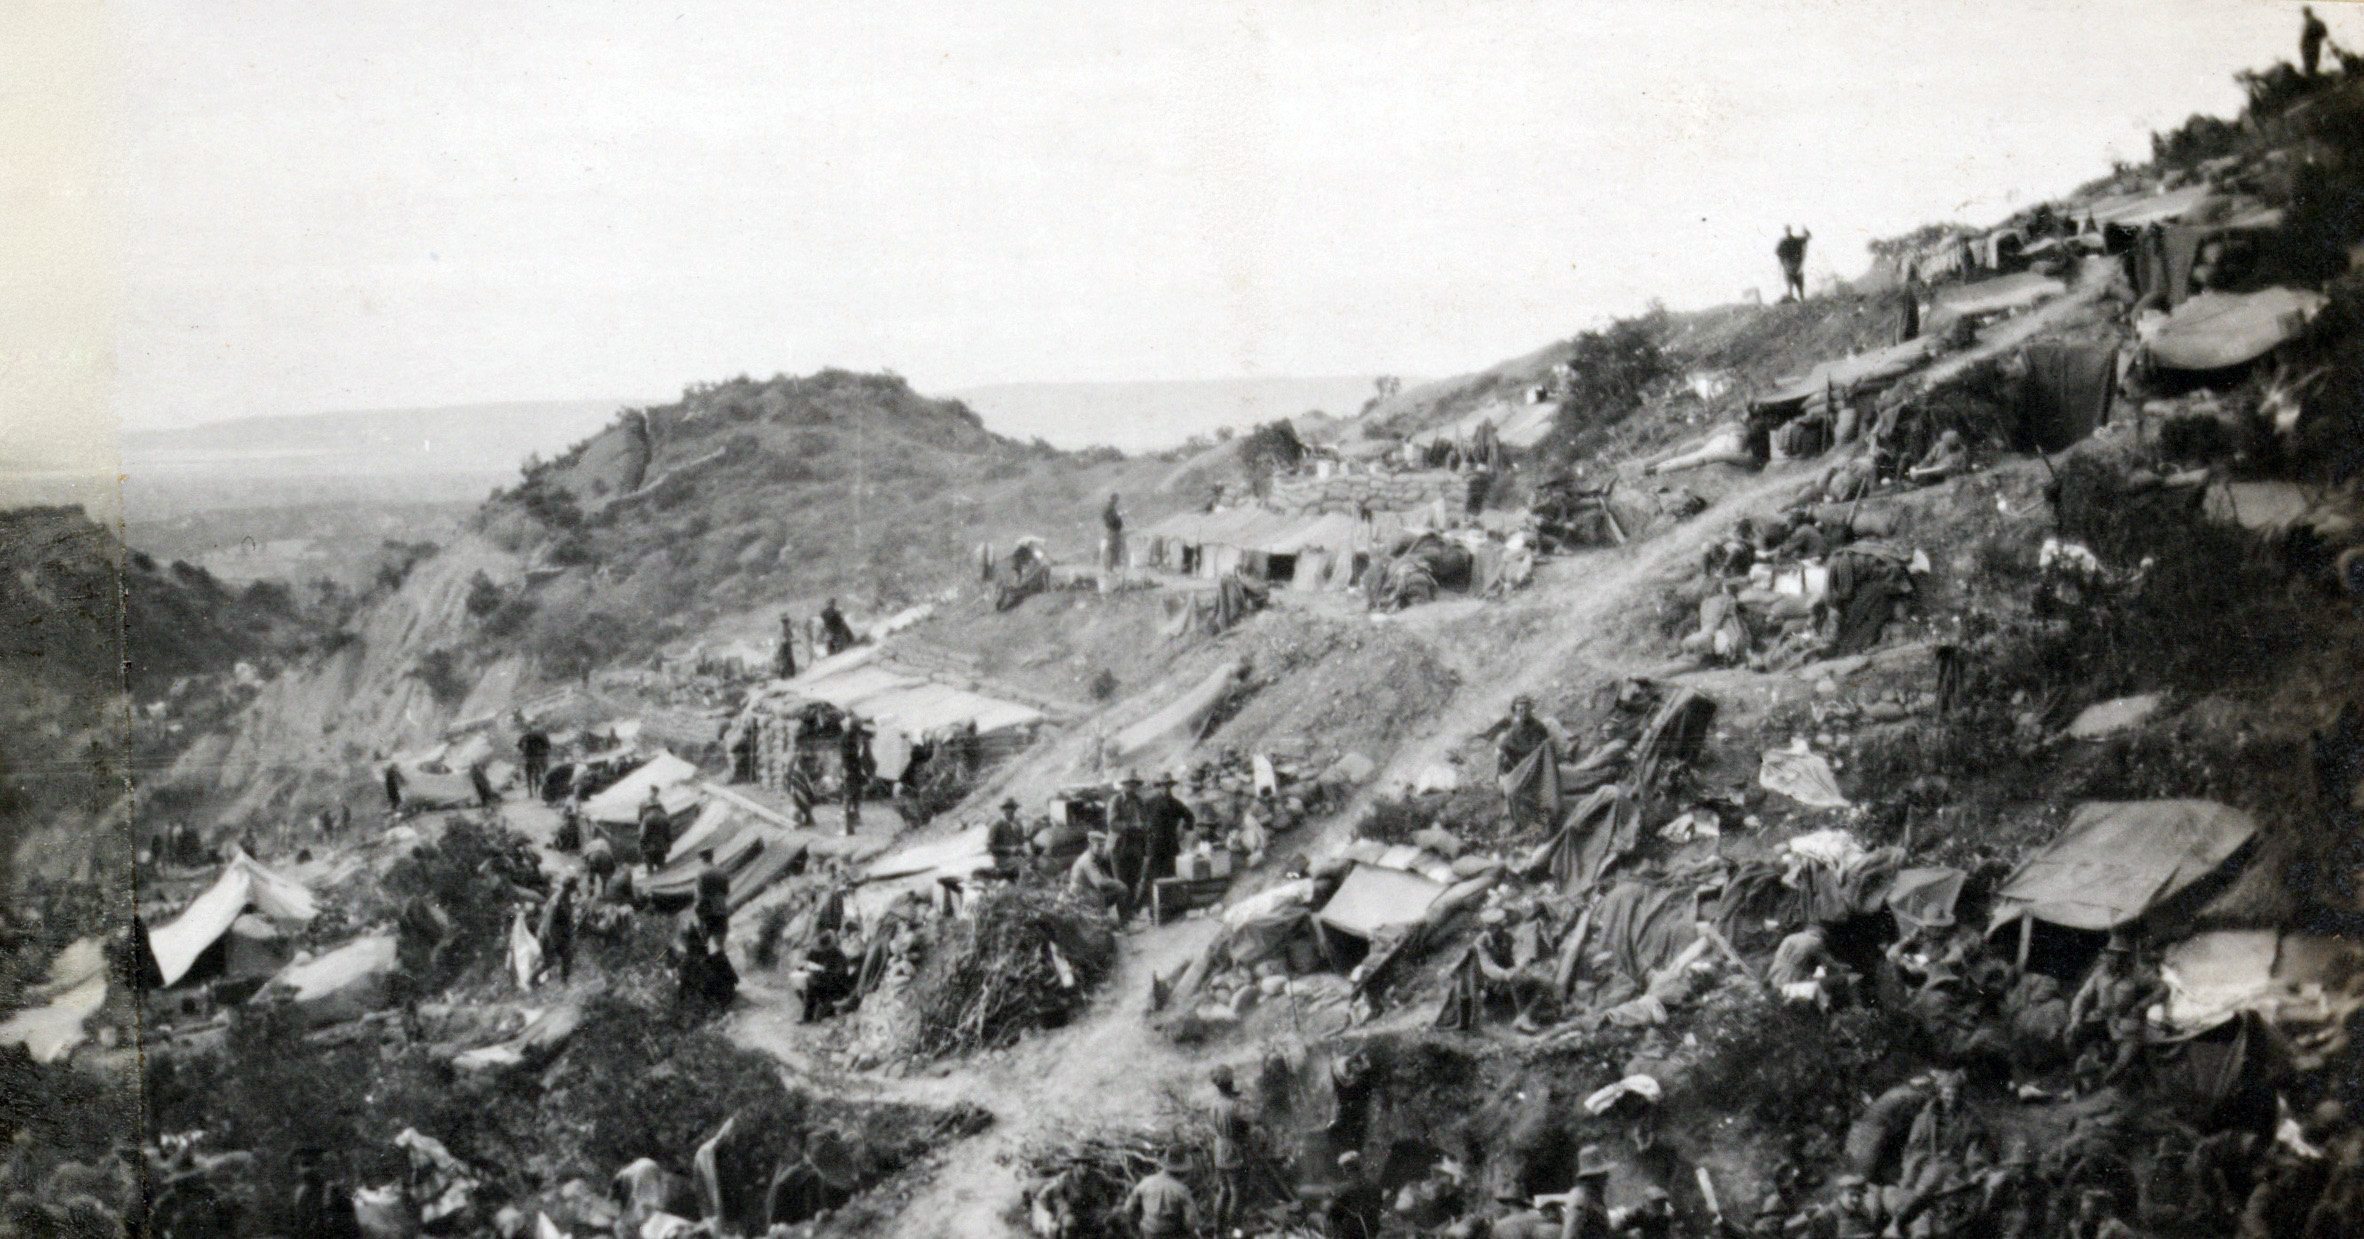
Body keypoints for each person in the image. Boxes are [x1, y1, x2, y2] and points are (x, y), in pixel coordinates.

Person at [1137, 775, 1195, 906]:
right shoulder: (1149, 802)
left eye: (1168, 786)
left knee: (1171, 874)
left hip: (1170, 844)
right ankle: (1146, 906)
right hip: (1154, 844)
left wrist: (1184, 831)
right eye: (1163, 786)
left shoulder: (1175, 803)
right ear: (1159, 787)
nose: (1166, 789)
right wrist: (1146, 835)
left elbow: (1189, 816)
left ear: (1171, 787)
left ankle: (1170, 904)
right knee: (1150, 875)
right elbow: (1140, 820)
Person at [1209, 1066, 1252, 1232]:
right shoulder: (1235, 1106)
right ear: (1230, 1083)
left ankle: (1218, 1232)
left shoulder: (1215, 1102)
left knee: (1223, 1191)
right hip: (1234, 1151)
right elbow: (1246, 1125)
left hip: (1219, 1150)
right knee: (1237, 1194)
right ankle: (1236, 1233)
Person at [1121, 1152, 1198, 1239]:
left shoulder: (1146, 1182)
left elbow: (1128, 1208)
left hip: (1147, 1232)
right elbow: (1191, 1222)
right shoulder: (1182, 1190)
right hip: (1171, 1234)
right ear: (1182, 1171)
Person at [1106, 772, 1150, 900]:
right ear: (1123, 785)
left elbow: (1145, 820)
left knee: (1134, 880)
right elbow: (1112, 824)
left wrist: (1145, 826)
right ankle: (1123, 917)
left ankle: (1131, 913)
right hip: (1119, 846)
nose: (1132, 787)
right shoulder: (1116, 800)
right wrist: (1133, 825)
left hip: (1136, 845)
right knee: (1120, 883)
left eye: (1135, 784)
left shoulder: (1139, 801)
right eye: (1129, 784)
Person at [1068, 832, 1131, 919]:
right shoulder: (1087, 860)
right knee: (1121, 889)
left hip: (1088, 892)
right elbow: (1100, 882)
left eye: (1103, 846)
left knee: (1118, 887)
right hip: (1081, 896)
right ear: (1090, 845)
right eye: (1099, 846)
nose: (1102, 849)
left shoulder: (1094, 855)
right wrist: (1118, 883)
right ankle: (1123, 923)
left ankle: (1121, 919)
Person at [797, 930, 855, 1022]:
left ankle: (824, 1011)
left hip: (835, 987)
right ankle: (808, 1016)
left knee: (812, 985)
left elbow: (838, 976)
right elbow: (807, 960)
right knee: (807, 983)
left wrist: (821, 971)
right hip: (821, 981)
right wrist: (803, 966)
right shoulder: (818, 951)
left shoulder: (838, 956)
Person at [537, 876, 577, 984]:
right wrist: (552, 939)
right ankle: (531, 981)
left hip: (556, 934)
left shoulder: (564, 897)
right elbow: (549, 920)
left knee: (566, 956)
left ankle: (564, 982)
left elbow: (566, 916)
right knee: (549, 962)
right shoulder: (557, 900)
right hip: (550, 934)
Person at [838, 716, 873, 836]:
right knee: (851, 796)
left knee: (853, 796)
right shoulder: (851, 738)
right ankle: (850, 825)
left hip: (853, 770)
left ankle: (851, 824)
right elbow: (848, 755)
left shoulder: (852, 737)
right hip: (852, 770)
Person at [694, 848, 731, 947]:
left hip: (707, 911)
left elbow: (699, 893)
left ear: (702, 858)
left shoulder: (701, 873)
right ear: (712, 856)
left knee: (704, 942)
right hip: (721, 908)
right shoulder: (722, 871)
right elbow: (726, 891)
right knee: (720, 943)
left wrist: (698, 910)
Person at [987, 797, 1033, 875]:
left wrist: (1029, 838)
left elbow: (1021, 841)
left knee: (1035, 861)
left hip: (1018, 856)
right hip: (1003, 859)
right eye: (1007, 808)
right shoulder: (996, 825)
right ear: (1002, 810)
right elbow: (990, 847)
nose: (1010, 810)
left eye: (1012, 808)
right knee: (1024, 865)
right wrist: (1008, 849)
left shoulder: (1017, 823)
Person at [637, 786, 674, 870]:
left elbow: (639, 819)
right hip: (660, 843)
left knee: (649, 868)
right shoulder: (659, 802)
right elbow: (666, 820)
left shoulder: (642, 802)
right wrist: (668, 844)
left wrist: (640, 846)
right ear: (656, 792)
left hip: (648, 846)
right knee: (661, 865)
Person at [1776, 226, 1812, 302]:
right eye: (1787, 230)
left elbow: (1778, 253)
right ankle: (1798, 298)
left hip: (1792, 265)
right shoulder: (1790, 241)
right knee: (1796, 284)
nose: (1787, 232)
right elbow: (1808, 237)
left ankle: (1797, 298)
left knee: (1795, 284)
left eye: (1787, 230)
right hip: (1793, 265)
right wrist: (1806, 231)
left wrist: (1783, 262)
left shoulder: (1785, 241)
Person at [788, 746, 820, 828]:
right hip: (797, 784)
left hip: (799, 784)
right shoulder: (797, 761)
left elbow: (807, 774)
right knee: (801, 801)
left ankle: (807, 818)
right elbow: (795, 774)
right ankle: (804, 819)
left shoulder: (799, 760)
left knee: (804, 800)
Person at [1101, 492, 1127, 591]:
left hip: (1113, 531)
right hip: (1112, 531)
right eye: (1116, 500)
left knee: (1112, 550)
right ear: (1113, 499)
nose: (1117, 502)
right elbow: (1110, 520)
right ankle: (1109, 570)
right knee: (1111, 550)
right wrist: (1118, 519)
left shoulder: (1110, 508)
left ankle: (1110, 569)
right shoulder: (1109, 508)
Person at [517, 722, 551, 798]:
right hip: (541, 756)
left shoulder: (525, 735)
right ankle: (539, 791)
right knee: (543, 773)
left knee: (529, 774)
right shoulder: (542, 733)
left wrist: (523, 751)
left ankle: (530, 792)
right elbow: (548, 745)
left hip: (529, 757)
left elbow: (519, 745)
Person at [2304, 6, 2331, 77]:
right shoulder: (2318, 22)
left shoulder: (2309, 23)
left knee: (2310, 68)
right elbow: (2325, 34)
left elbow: (2305, 38)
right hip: (2315, 47)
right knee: (2313, 66)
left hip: (2309, 48)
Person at [773, 612, 798, 679]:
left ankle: (787, 674)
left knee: (785, 659)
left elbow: (790, 635)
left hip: (783, 644)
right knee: (787, 659)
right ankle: (789, 674)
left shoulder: (783, 627)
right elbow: (789, 635)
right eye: (786, 621)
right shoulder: (784, 627)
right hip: (785, 645)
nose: (787, 622)